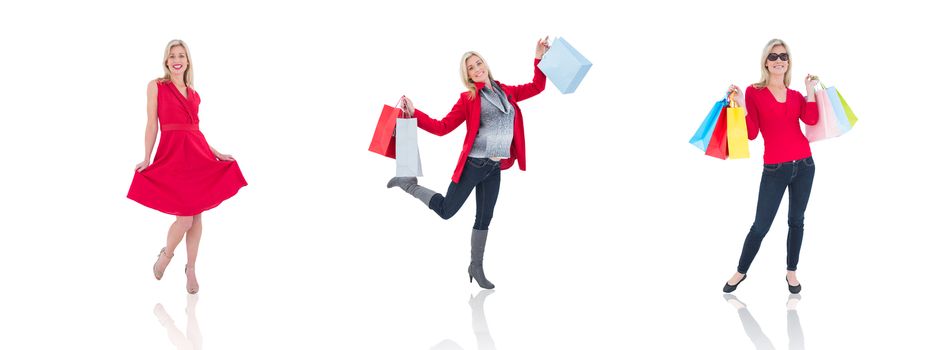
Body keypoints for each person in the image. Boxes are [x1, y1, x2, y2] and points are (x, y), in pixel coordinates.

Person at [387, 37, 550, 289]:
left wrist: (539, 57)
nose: (477, 69)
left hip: (494, 168)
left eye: (478, 63)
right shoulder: (469, 99)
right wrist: (415, 112)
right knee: (446, 211)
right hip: (474, 166)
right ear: (468, 75)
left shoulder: (506, 91)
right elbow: (442, 128)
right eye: (471, 68)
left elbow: (537, 87)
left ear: (485, 64)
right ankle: (408, 184)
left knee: (484, 219)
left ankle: (476, 266)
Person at [128, 39, 247, 294]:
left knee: (196, 215)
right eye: (172, 55)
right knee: (184, 219)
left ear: (188, 60)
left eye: (181, 54)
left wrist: (216, 153)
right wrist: (147, 157)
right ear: (166, 61)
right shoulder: (157, 86)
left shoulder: (194, 94)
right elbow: (152, 124)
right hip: (172, 156)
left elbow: (195, 130)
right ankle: (167, 254)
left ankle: (191, 268)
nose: (176, 59)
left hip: (197, 156)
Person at [722, 39, 819, 294]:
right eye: (774, 56)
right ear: (766, 61)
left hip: (805, 165)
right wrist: (741, 103)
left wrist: (810, 91)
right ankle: (741, 271)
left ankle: (791, 272)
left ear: (788, 63)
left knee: (796, 221)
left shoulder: (797, 95)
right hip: (775, 170)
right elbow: (752, 133)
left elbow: (810, 119)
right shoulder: (754, 92)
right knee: (760, 226)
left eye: (783, 57)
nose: (779, 61)